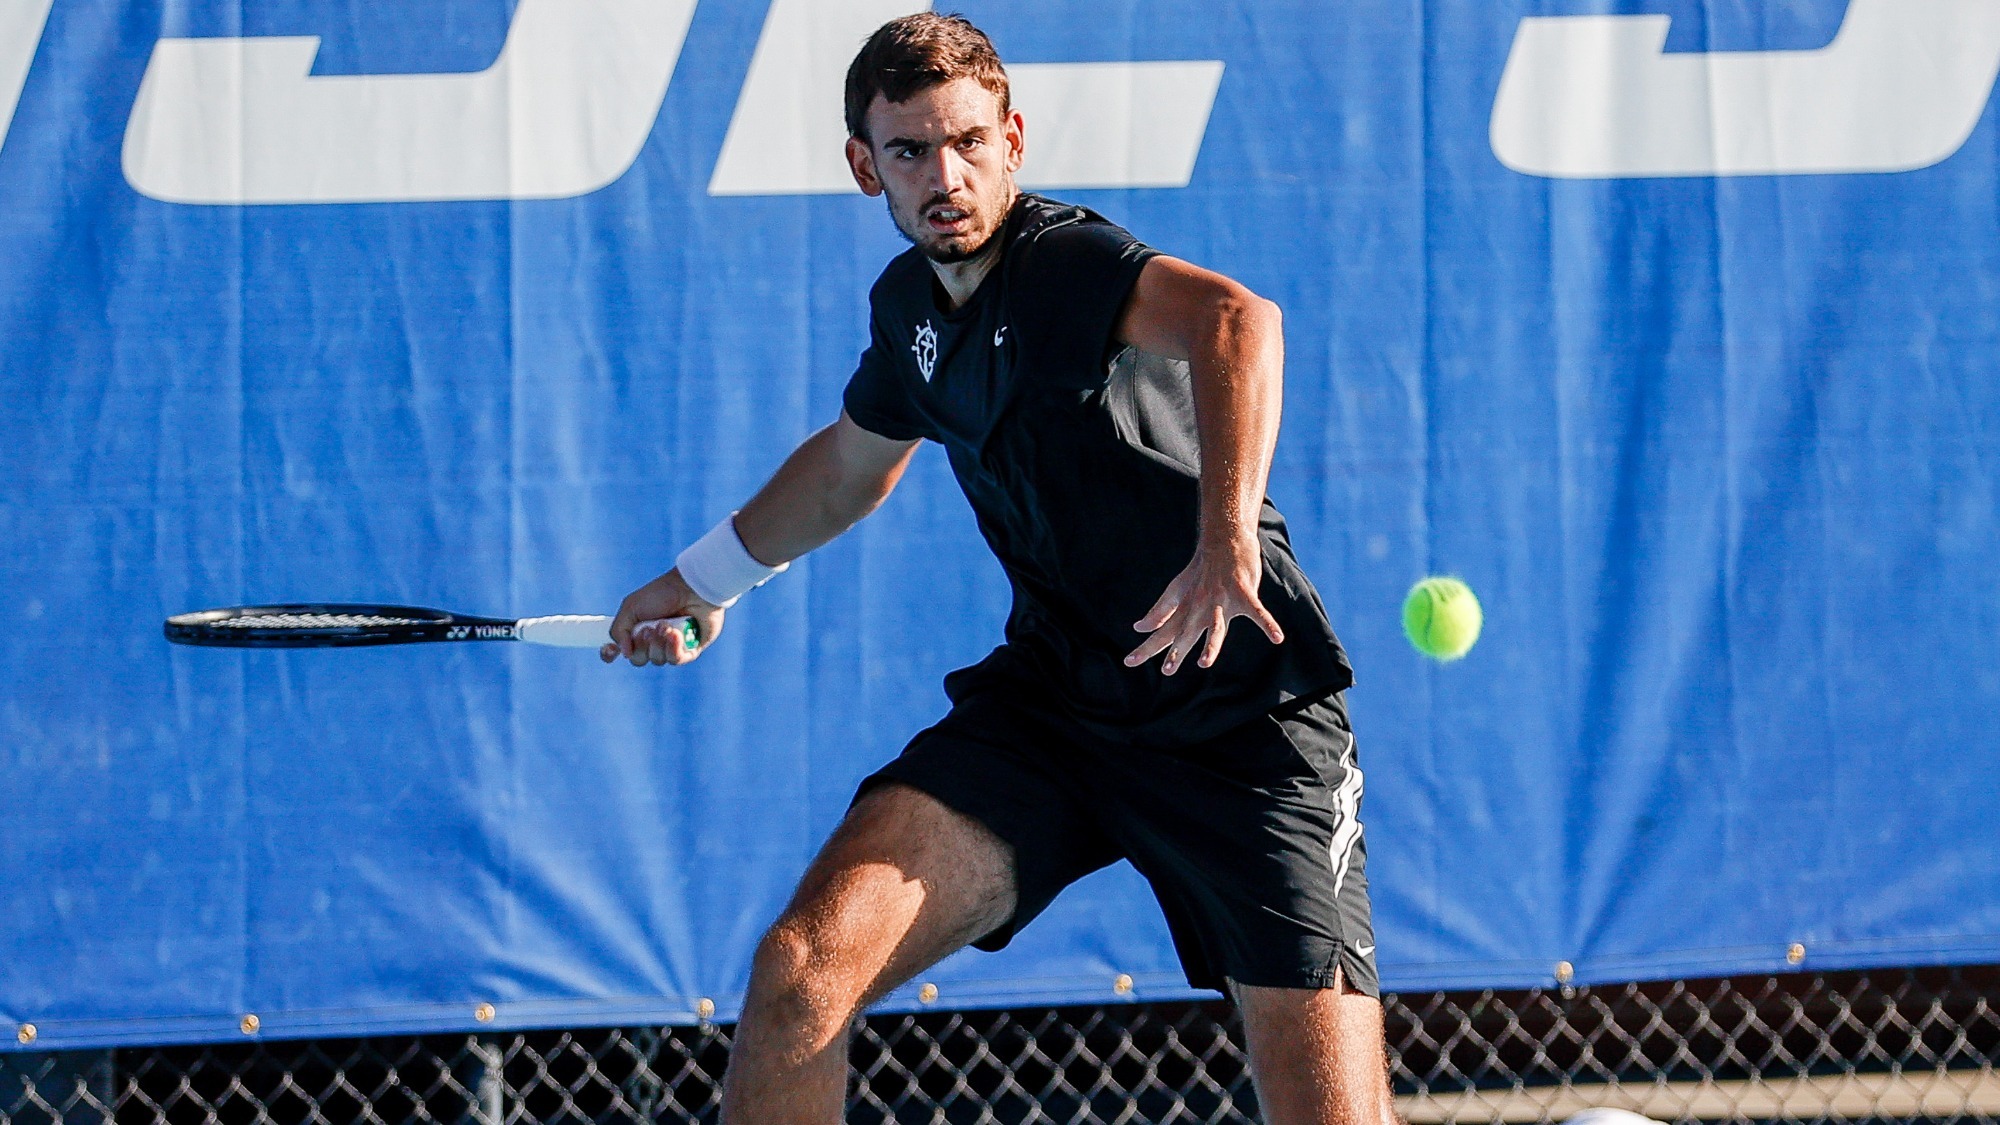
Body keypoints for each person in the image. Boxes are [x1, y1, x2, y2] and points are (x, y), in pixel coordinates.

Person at [604, 14, 1391, 1124]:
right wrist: (702, 579)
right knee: (800, 974)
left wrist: (1222, 547)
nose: (946, 175)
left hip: (1234, 713)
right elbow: (845, 468)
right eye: (912, 151)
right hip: (1059, 707)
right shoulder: (907, 312)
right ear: (861, 164)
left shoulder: (1062, 264)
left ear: (1012, 141)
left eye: (969, 143)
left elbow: (1235, 321)